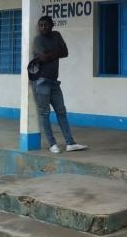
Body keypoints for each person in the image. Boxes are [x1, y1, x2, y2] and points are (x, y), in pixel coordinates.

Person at [32, 15, 87, 154]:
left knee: (61, 112)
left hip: (55, 82)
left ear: (52, 26)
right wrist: (57, 52)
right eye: (41, 25)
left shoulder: (56, 35)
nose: (43, 27)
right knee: (45, 113)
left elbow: (66, 52)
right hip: (42, 81)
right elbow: (43, 57)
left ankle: (70, 143)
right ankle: (52, 144)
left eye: (46, 25)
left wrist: (49, 55)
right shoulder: (38, 40)